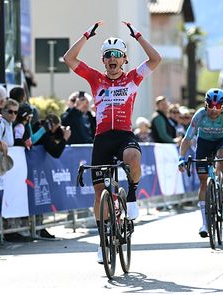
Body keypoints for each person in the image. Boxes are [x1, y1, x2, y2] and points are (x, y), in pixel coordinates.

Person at [63, 20, 161, 263]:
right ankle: (103, 239)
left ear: (124, 59)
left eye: (117, 54)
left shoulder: (133, 78)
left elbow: (156, 59)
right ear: (104, 60)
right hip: (102, 139)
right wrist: (87, 34)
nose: (112, 58)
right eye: (108, 55)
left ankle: (133, 194)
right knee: (99, 194)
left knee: (133, 158)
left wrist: (137, 36)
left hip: (125, 135)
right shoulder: (96, 79)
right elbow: (69, 58)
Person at [178, 88, 223, 237]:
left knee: (222, 158)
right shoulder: (200, 115)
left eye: (218, 106)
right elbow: (187, 139)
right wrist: (181, 158)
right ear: (205, 104)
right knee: (203, 182)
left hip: (221, 141)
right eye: (211, 106)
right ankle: (205, 223)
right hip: (204, 143)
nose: (214, 110)